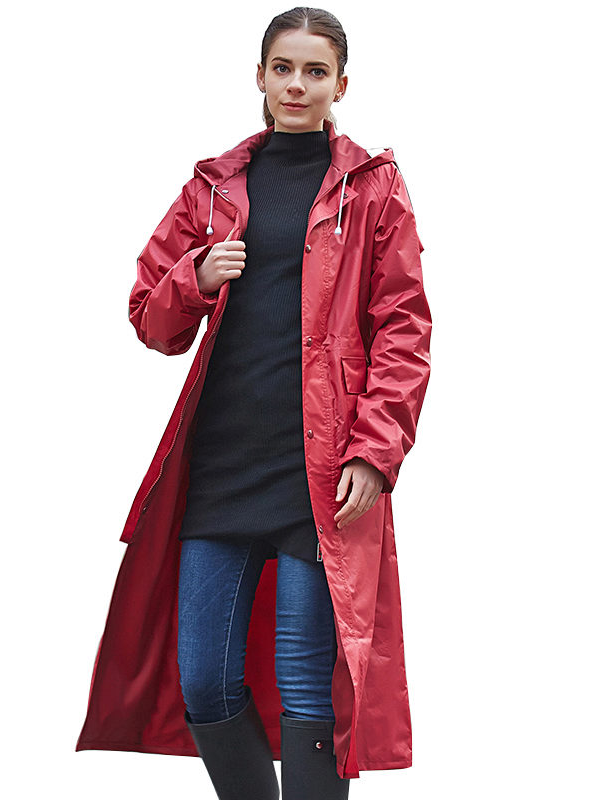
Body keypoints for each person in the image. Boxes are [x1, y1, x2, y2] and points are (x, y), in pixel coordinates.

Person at [76, 7, 432, 799]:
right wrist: (196, 278)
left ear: (342, 85)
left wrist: (376, 451)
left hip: (320, 471)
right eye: (283, 68)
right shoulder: (212, 187)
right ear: (260, 76)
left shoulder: (373, 187)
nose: (296, 85)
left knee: (307, 686)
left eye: (315, 71)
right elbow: (150, 318)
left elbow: (403, 327)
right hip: (223, 464)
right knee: (204, 681)